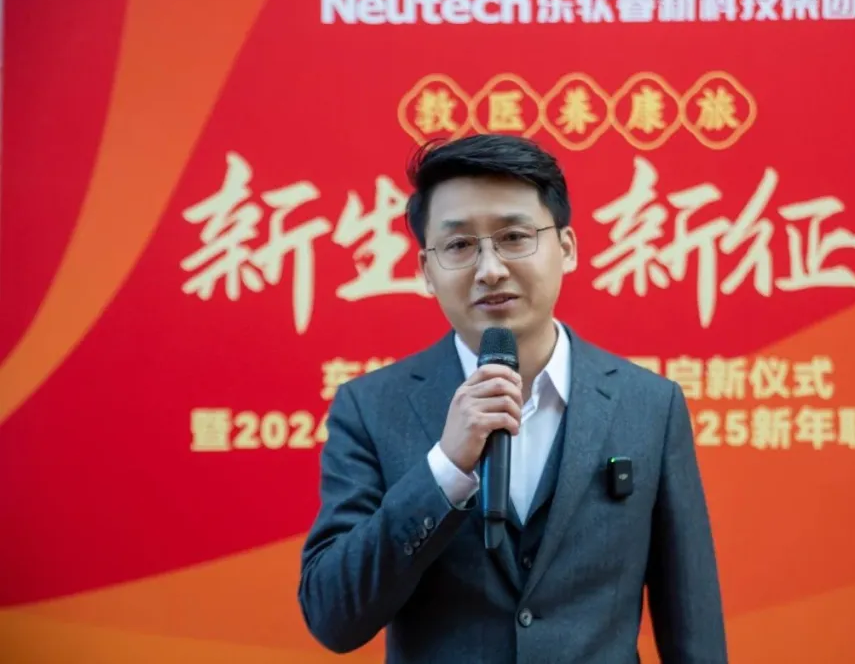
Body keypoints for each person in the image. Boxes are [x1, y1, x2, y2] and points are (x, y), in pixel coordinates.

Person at [297, 134, 728, 663]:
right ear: (426, 270)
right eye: (459, 246)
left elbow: (693, 626)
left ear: (566, 248)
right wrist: (446, 469)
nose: (490, 269)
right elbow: (333, 616)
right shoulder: (370, 408)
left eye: (514, 237)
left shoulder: (649, 405)